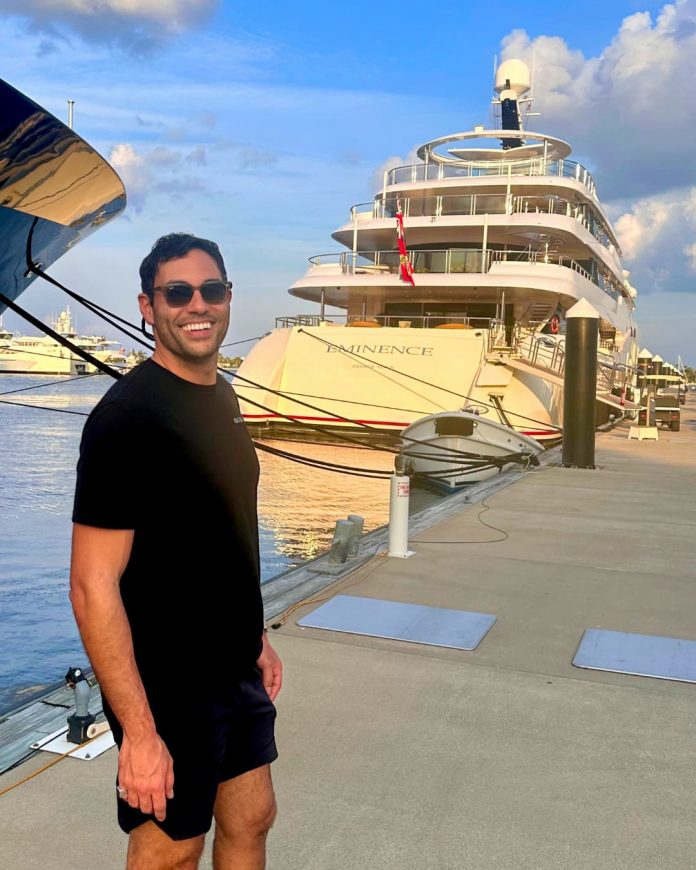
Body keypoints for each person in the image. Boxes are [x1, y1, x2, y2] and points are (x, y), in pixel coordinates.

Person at [69, 233, 282, 870]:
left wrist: (254, 635)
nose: (197, 305)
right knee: (173, 848)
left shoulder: (223, 397)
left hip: (232, 665)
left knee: (252, 817)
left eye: (211, 290)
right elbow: (91, 585)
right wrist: (138, 731)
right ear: (148, 305)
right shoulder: (126, 419)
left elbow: (225, 532)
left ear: (228, 298)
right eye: (177, 292)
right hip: (167, 682)